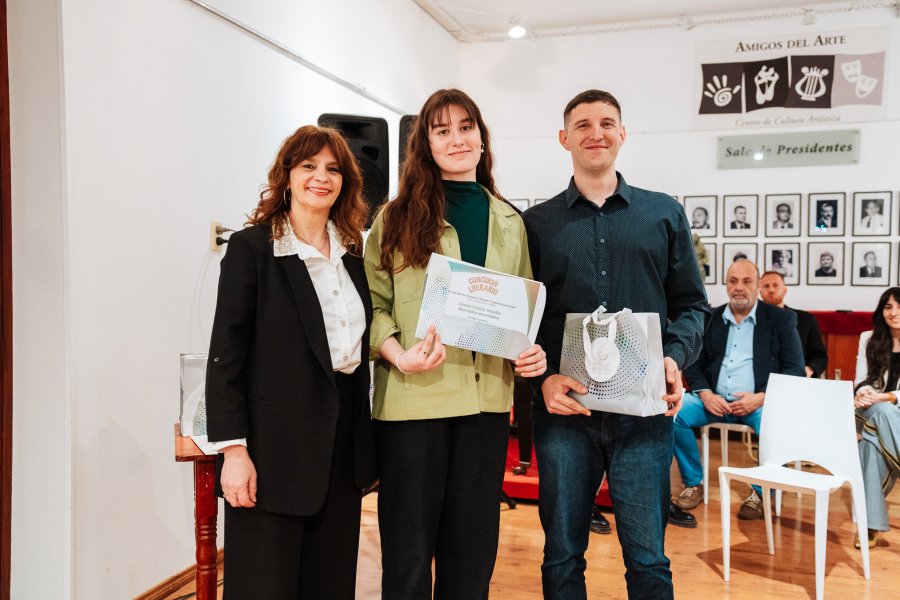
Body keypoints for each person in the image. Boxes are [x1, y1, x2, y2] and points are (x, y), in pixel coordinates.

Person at [523, 89, 709, 599]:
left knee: (648, 559)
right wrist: (541, 378)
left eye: (607, 123)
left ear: (622, 134)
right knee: (562, 555)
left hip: (645, 419)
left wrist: (672, 358)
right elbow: (525, 320)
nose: (595, 133)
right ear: (564, 139)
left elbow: (693, 305)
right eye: (582, 125)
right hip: (566, 417)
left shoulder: (663, 214)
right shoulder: (535, 225)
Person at [364, 88, 547, 600]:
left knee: (471, 557)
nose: (457, 139)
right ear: (425, 143)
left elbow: (522, 313)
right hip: (411, 404)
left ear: (482, 139)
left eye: (466, 127)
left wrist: (530, 352)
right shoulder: (394, 218)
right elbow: (373, 309)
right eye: (441, 130)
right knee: (408, 557)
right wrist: (399, 353)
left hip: (487, 404)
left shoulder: (511, 221)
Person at [205, 125, 377, 599]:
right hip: (272, 450)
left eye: (333, 169)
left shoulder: (353, 254)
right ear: (286, 176)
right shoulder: (252, 249)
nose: (321, 177)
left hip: (340, 449)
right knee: (266, 587)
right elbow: (226, 357)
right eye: (309, 166)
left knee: (330, 584)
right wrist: (233, 453)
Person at [671, 260, 805, 520]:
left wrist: (761, 397)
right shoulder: (710, 319)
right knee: (675, 413)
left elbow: (795, 369)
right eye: (733, 281)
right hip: (713, 401)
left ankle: (761, 491)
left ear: (757, 286)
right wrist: (706, 394)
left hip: (759, 402)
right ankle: (693, 483)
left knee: (776, 424)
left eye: (746, 281)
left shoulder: (781, 319)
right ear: (726, 285)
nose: (739, 287)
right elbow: (694, 364)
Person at [853, 287, 900, 549]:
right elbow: (861, 379)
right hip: (870, 410)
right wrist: (863, 394)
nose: (894, 313)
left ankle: (870, 524)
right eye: (888, 307)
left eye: (899, 307)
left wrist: (887, 397)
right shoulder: (868, 338)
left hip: (889, 414)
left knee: (870, 447)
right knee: (881, 412)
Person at [759, 270, 828, 377]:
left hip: (797, 377)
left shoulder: (806, 319)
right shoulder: (752, 319)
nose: (771, 290)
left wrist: (809, 369)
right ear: (760, 292)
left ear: (785, 290)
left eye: (775, 285)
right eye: (766, 286)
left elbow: (819, 356)